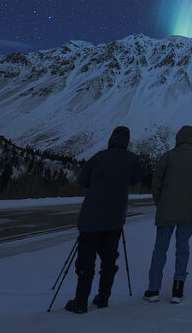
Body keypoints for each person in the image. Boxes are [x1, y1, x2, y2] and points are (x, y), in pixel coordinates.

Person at [65, 125, 142, 314]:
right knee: (108, 260)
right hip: (114, 219)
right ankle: (103, 298)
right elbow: (135, 180)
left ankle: (80, 301)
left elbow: (83, 181)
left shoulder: (98, 157)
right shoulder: (133, 160)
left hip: (90, 218)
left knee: (86, 262)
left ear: (112, 139)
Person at [142, 125, 192, 305]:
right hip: (188, 211)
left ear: (178, 138)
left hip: (166, 209)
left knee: (160, 249)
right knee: (183, 249)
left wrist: (160, 202)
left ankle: (153, 289)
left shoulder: (168, 157)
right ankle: (178, 289)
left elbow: (156, 183)